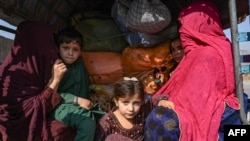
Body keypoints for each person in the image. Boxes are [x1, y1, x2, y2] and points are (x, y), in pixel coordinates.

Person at [144, 1, 242, 141]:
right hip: (210, 110)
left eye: (184, 26)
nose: (181, 31)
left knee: (159, 119)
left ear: (196, 24)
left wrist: (165, 103)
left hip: (206, 113)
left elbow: (194, 102)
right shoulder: (208, 51)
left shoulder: (206, 54)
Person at [0, 21, 65, 141]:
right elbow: (32, 110)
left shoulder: (37, 67)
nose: (52, 50)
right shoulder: (10, 76)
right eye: (48, 44)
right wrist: (55, 80)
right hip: (16, 130)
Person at [50, 28, 105, 141]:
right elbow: (50, 94)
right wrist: (76, 100)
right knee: (87, 121)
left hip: (80, 104)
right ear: (57, 48)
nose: (70, 53)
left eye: (75, 49)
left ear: (80, 52)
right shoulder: (56, 65)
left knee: (106, 118)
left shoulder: (79, 62)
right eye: (65, 48)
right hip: (59, 106)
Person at [94, 77, 150, 141]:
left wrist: (162, 100)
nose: (131, 109)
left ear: (142, 101)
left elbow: (156, 100)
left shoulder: (141, 112)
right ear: (116, 101)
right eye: (125, 103)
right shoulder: (107, 123)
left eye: (136, 103)